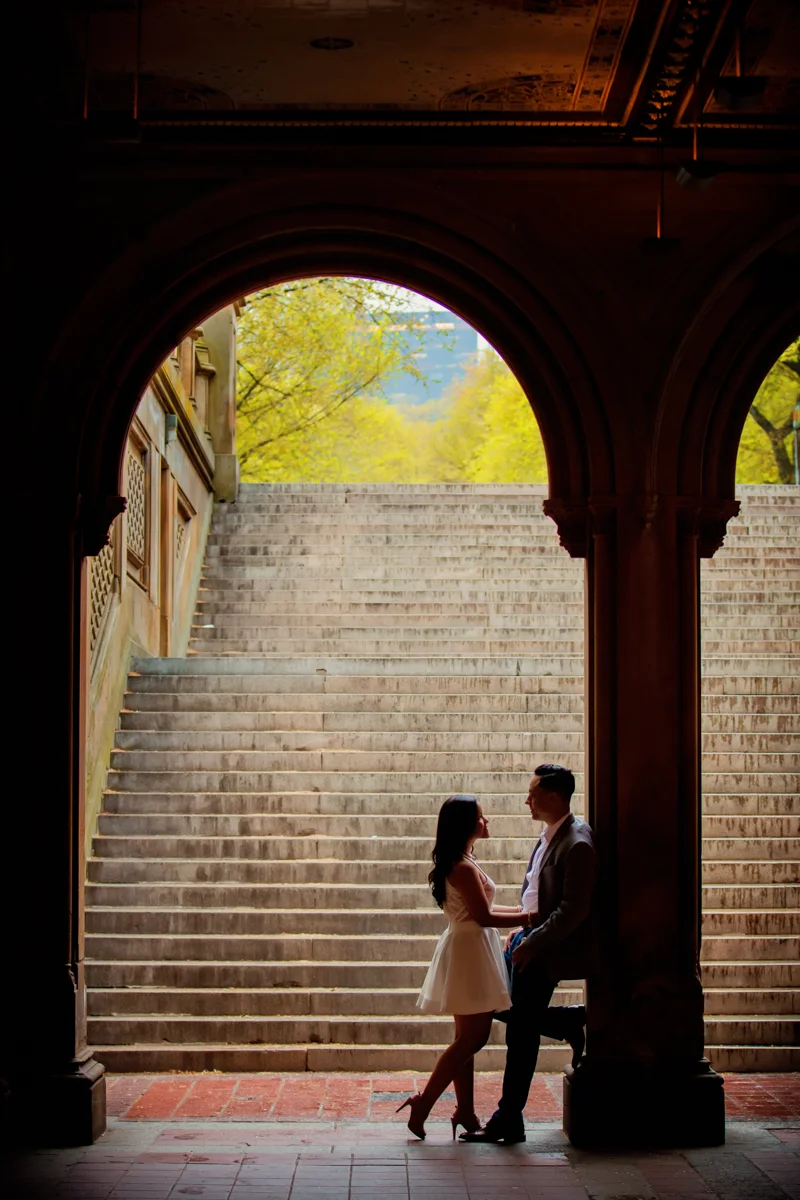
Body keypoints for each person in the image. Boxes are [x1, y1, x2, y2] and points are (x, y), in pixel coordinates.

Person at [461, 764, 598, 1145]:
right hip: (530, 936)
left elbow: (573, 910)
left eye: (532, 794)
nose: (527, 800)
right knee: (496, 1003)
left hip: (546, 948)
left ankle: (509, 1118)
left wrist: (533, 942)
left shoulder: (578, 842)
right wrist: (522, 927)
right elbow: (540, 895)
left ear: (553, 796)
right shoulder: (551, 834)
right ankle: (565, 1022)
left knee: (520, 1033)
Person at [396, 794, 530, 1140]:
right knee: (474, 1037)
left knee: (463, 1040)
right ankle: (423, 1104)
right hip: (470, 950)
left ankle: (465, 1111)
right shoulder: (463, 867)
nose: (487, 822)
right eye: (481, 817)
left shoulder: (464, 860)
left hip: (470, 945)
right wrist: (529, 917)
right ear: (467, 824)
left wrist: (521, 914)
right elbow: (483, 916)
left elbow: (482, 911)